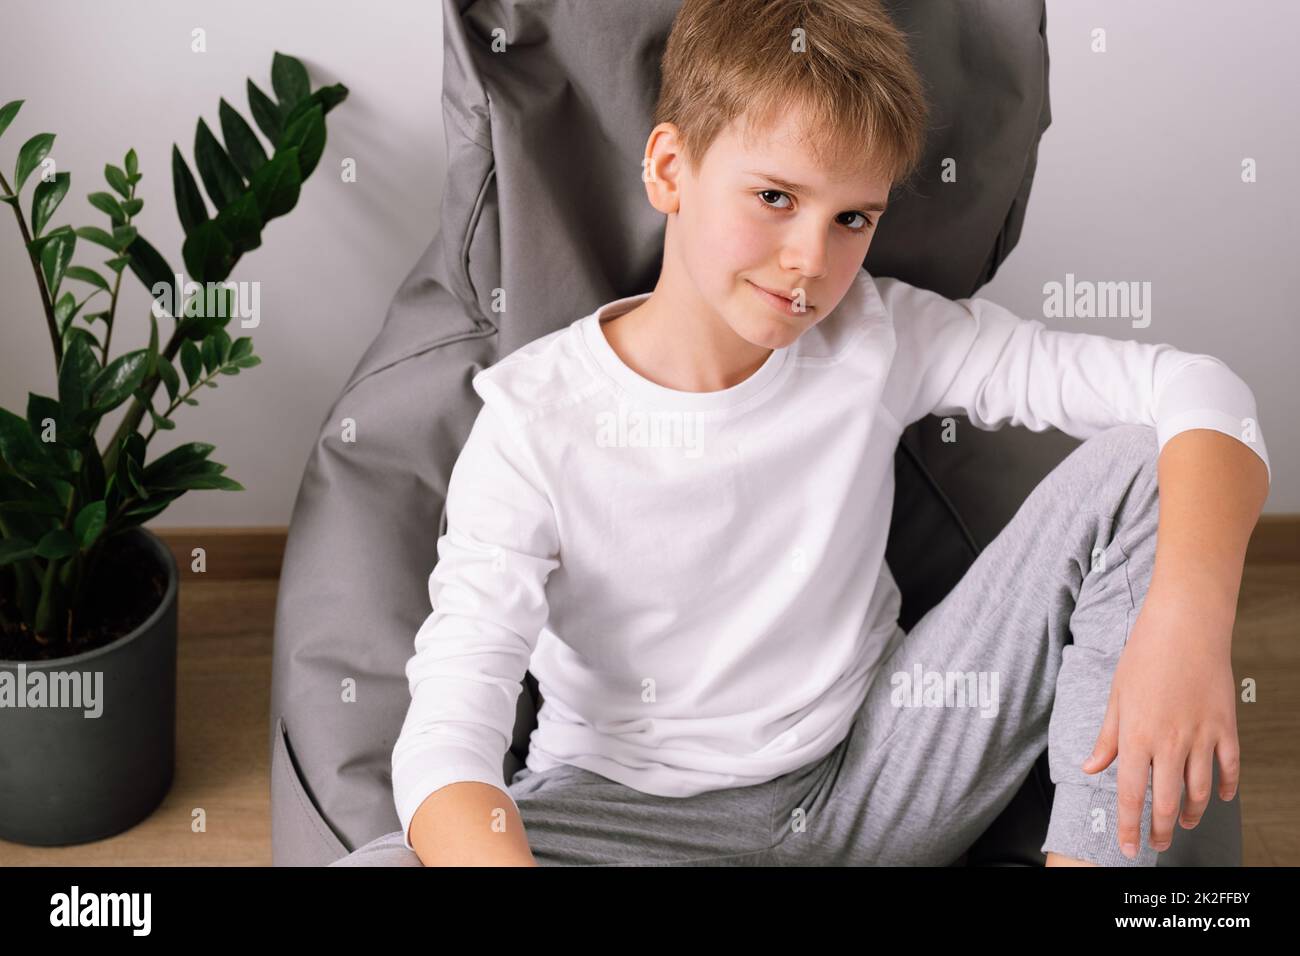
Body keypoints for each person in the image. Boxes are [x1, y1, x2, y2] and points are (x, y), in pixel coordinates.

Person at [333, 0, 1270, 868]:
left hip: (879, 774)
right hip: (629, 817)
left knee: (1145, 468)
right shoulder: (534, 422)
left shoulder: (880, 333)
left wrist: (1185, 625)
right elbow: (449, 730)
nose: (810, 263)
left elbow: (1199, 392)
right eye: (775, 197)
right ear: (670, 169)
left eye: (852, 217)